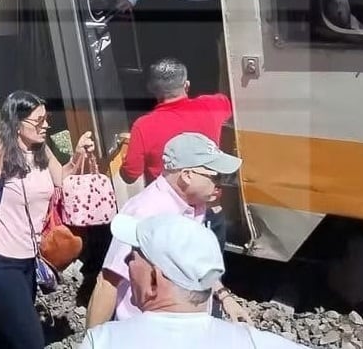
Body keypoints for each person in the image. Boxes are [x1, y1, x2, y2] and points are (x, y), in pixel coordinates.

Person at [0, 91, 96, 349]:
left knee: (8, 337)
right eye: (39, 121)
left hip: (28, 263)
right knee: (31, 341)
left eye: (46, 119)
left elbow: (62, 180)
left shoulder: (41, 150)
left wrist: (78, 156)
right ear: (17, 122)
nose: (46, 125)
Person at [86, 133, 250, 329]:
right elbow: (108, 282)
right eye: (216, 176)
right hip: (145, 331)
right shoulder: (145, 213)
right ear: (187, 175)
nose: (221, 183)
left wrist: (224, 297)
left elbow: (195, 266)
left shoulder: (194, 204)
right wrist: (94, 340)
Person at [79, 214, 308, 348]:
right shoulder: (255, 343)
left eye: (135, 254)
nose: (128, 259)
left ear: (154, 281)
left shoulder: (102, 341)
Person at [119, 58, 233, 248]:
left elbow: (130, 175)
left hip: (170, 217)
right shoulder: (211, 106)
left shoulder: (143, 126)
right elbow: (229, 101)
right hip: (209, 209)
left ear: (152, 89)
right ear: (187, 85)